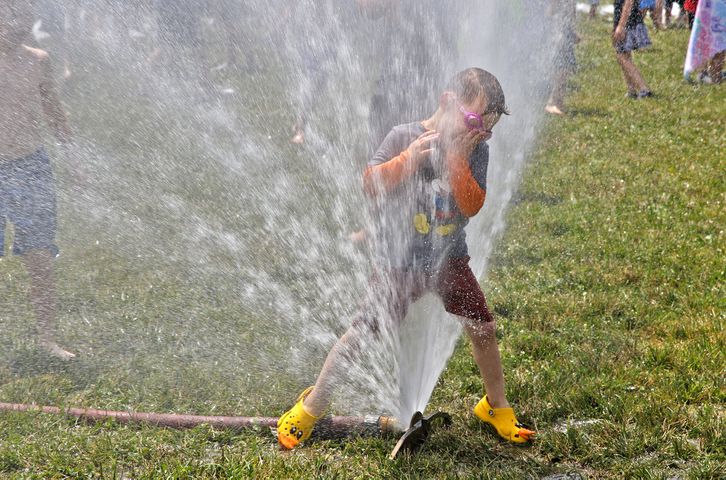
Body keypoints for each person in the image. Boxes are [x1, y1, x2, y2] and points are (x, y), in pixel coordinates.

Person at [277, 68, 536, 449]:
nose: (479, 133)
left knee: (482, 328)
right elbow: (370, 184)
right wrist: (409, 160)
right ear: (448, 102)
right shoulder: (404, 136)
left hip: (450, 259)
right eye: (474, 121)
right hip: (399, 263)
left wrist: (457, 160)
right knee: (362, 331)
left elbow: (473, 205)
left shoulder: (475, 150)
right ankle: (312, 406)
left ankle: (495, 406)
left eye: (487, 128)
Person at [0, 0, 75, 359]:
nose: (18, 22)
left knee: (40, 255)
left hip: (30, 165)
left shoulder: (37, 61)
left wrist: (73, 157)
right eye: (10, 13)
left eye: (25, 14)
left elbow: (55, 113)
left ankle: (47, 338)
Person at [613, 0, 653, 98]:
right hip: (627, 21)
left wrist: (621, 26)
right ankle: (631, 89)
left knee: (622, 56)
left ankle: (644, 89)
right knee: (624, 55)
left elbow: (629, 2)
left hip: (628, 23)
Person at [545, 0, 578, 115]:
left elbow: (571, 11)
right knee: (561, 68)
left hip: (564, 30)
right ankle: (552, 102)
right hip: (559, 31)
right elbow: (551, 11)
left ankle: (558, 101)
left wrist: (572, 31)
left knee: (565, 68)